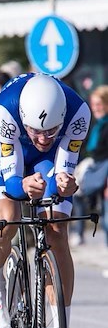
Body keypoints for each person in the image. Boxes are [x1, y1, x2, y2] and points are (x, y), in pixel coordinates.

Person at [0, 73, 91, 328]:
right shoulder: (6, 110)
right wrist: (23, 185)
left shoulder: (78, 113)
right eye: (36, 131)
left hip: (50, 157)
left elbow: (64, 172)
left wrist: (67, 184)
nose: (42, 138)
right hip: (2, 142)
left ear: (62, 118)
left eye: (50, 130)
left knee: (56, 231)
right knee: (6, 219)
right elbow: (12, 180)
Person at [70, 85, 108, 247]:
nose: (95, 108)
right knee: (77, 192)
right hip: (95, 168)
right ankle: (78, 232)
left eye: (99, 104)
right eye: (93, 104)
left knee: (107, 219)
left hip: (104, 171)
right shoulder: (96, 124)